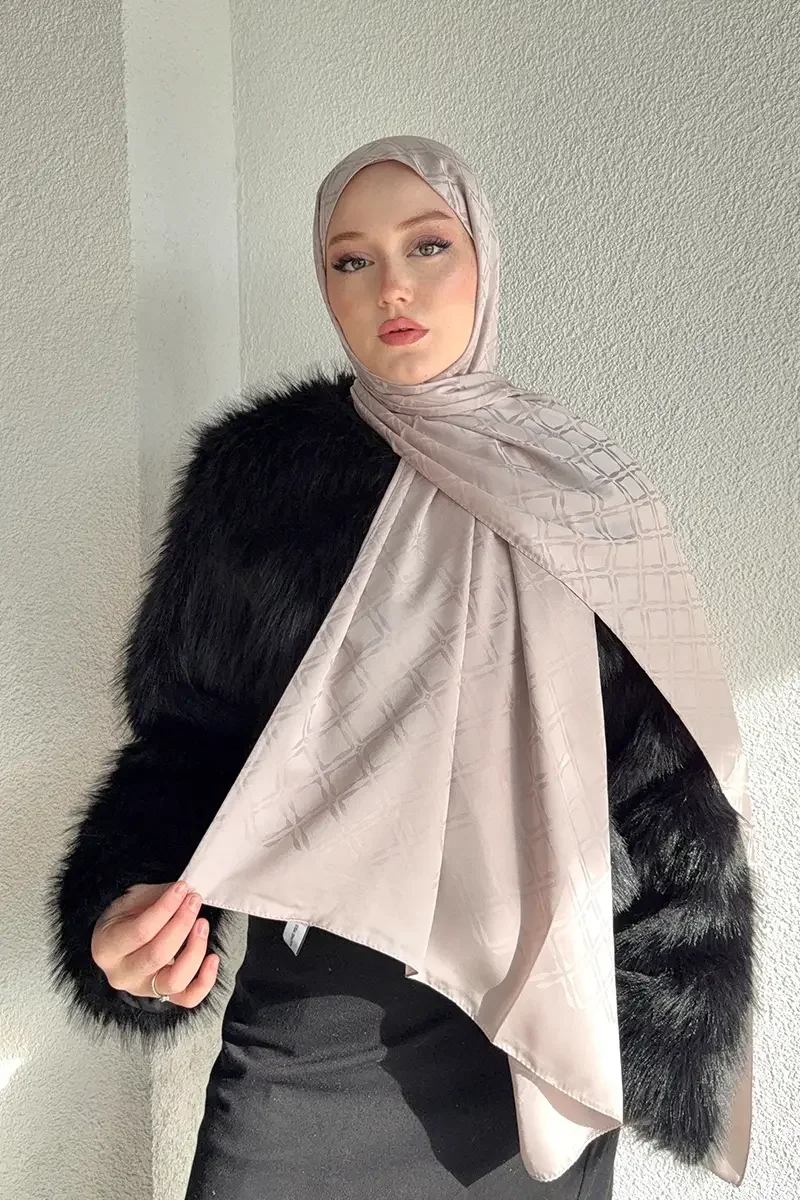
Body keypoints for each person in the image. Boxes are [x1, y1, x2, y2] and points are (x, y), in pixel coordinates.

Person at [47, 136, 755, 1200]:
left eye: (428, 246)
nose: (392, 287)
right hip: (313, 1020)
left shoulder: (585, 496)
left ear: (483, 258)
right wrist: (123, 911)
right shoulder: (256, 485)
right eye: (352, 259)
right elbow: (189, 744)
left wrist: (657, 1016)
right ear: (324, 283)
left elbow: (671, 779)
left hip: (530, 1030)